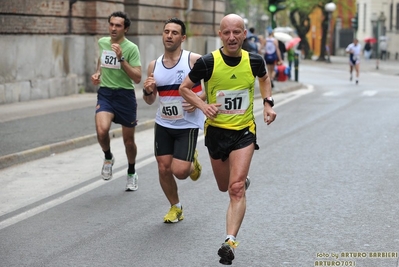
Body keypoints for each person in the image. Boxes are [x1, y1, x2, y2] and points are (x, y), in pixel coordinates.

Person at [179, 14, 277, 265]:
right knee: (225, 186)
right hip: (216, 132)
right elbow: (184, 88)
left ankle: (230, 241)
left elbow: (264, 79)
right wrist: (203, 106)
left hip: (243, 131)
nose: (232, 37)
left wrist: (267, 104)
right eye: (227, 33)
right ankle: (239, 180)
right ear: (220, 35)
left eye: (237, 32)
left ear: (244, 34)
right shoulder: (208, 62)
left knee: (235, 189)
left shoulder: (254, 60)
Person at [142, 18, 204, 223]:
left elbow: (214, 88)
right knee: (163, 167)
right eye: (166, 31)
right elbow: (150, 100)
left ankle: (191, 162)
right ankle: (175, 207)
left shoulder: (194, 60)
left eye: (174, 32)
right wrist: (147, 90)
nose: (169, 35)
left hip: (187, 124)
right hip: (164, 122)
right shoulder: (154, 65)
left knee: (180, 171)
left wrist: (198, 100)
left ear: (183, 38)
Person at [91, 11, 142, 191]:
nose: (113, 28)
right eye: (111, 24)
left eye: (118, 25)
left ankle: (131, 171)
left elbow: (137, 78)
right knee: (101, 130)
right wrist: (98, 73)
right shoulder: (103, 42)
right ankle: (108, 156)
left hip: (125, 96)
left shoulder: (131, 48)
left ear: (125, 29)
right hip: (105, 93)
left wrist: (121, 58)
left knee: (129, 141)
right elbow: (101, 59)